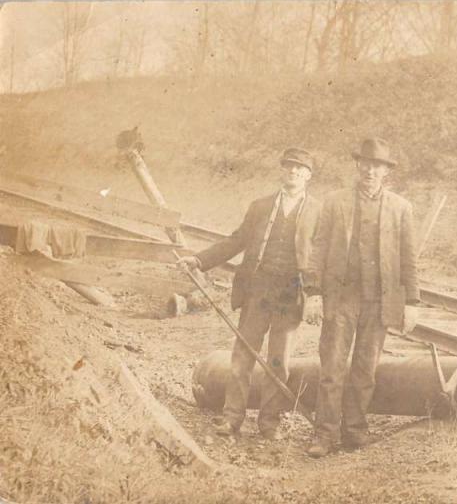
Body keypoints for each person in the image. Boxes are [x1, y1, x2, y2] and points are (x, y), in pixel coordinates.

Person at [177, 147, 320, 440]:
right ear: (282, 170)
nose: (293, 172)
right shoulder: (260, 206)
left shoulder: (319, 211)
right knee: (243, 357)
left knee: (279, 361)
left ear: (308, 176)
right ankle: (232, 418)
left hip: (290, 297)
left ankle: (269, 423)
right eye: (289, 167)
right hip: (257, 290)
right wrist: (201, 260)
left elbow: (323, 254)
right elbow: (237, 240)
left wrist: (317, 292)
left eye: (299, 169)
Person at [303, 137, 419, 458]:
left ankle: (354, 431)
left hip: (379, 301)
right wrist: (313, 292)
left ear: (386, 172)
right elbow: (318, 248)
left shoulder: (401, 208)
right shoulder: (335, 202)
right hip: (340, 297)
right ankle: (324, 434)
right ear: (358, 166)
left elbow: (409, 260)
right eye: (366, 164)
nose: (370, 171)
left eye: (377, 166)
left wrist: (412, 302)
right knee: (332, 368)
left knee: (365, 369)